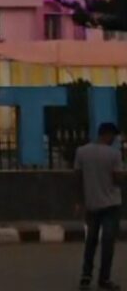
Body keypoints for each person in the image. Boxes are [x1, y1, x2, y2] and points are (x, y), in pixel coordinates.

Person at [75, 122, 124, 291]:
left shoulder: (82, 151)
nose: (114, 140)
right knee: (108, 243)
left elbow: (77, 177)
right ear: (108, 135)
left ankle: (86, 276)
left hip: (92, 203)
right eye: (113, 136)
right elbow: (117, 178)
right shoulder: (114, 154)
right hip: (111, 204)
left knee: (91, 241)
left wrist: (79, 200)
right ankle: (104, 278)